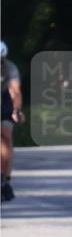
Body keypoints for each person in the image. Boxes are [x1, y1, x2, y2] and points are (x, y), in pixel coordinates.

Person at [1, 41, 25, 202]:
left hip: (3, 99)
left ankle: (6, 179)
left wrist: (16, 110)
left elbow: (15, 91)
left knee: (6, 136)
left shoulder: (10, 68)